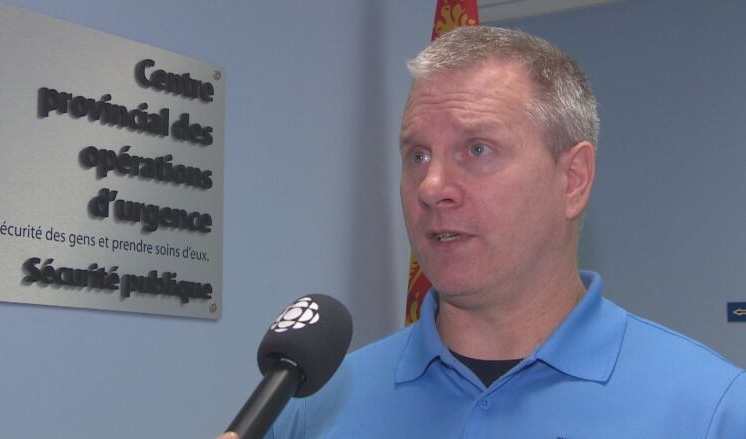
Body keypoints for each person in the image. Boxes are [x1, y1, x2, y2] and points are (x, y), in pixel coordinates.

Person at [221, 25, 746, 438]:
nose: (431, 186)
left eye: (477, 149)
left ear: (573, 180)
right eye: (417, 155)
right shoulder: (310, 407)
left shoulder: (712, 410)